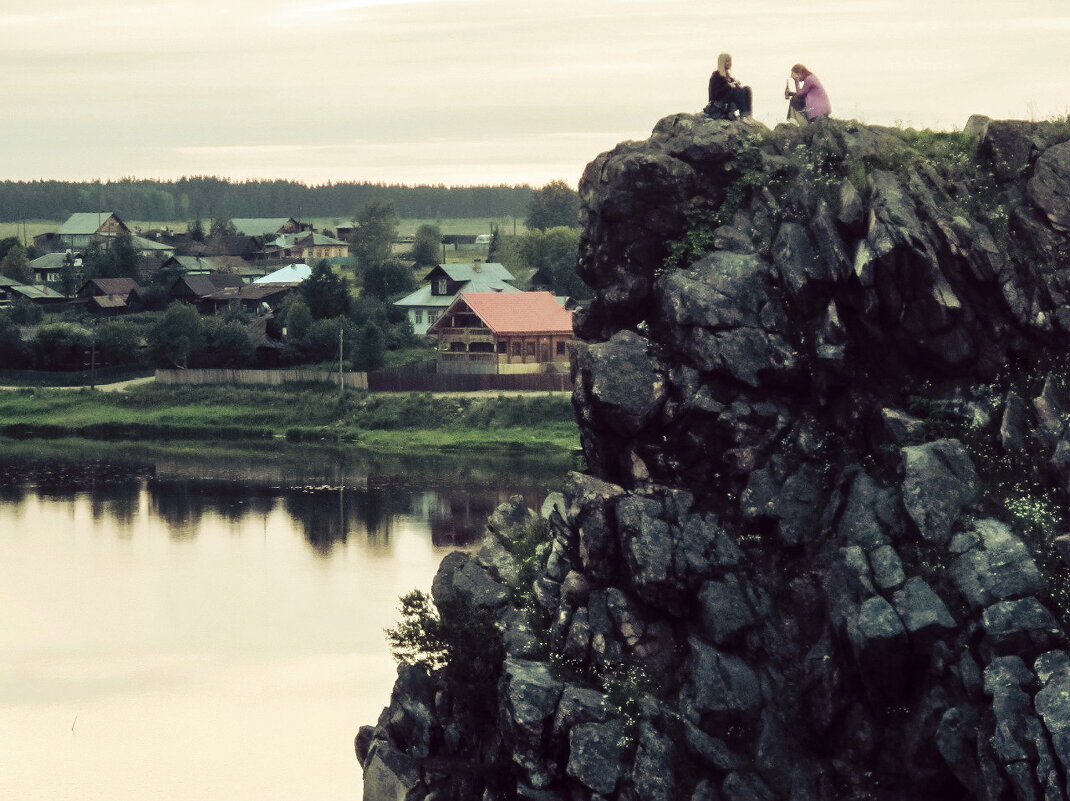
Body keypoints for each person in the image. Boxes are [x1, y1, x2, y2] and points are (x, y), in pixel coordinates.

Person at [706, 53, 753, 119]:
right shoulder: (716, 75)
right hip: (718, 104)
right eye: (727, 61)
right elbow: (715, 95)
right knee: (737, 90)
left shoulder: (728, 77)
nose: (730, 63)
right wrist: (729, 86)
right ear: (722, 63)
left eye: (730, 61)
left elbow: (736, 91)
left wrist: (737, 85)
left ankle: (748, 114)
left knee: (747, 89)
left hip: (728, 101)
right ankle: (743, 115)